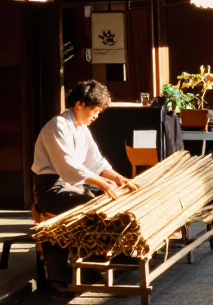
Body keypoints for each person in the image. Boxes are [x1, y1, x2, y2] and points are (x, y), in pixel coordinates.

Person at [32, 80, 139, 286]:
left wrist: (118, 178)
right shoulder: (58, 126)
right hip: (51, 189)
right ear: (79, 104)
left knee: (107, 200)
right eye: (95, 110)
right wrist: (102, 183)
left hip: (72, 184)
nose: (96, 115)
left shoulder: (81, 128)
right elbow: (68, 165)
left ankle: (111, 258)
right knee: (91, 204)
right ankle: (68, 271)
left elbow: (96, 161)